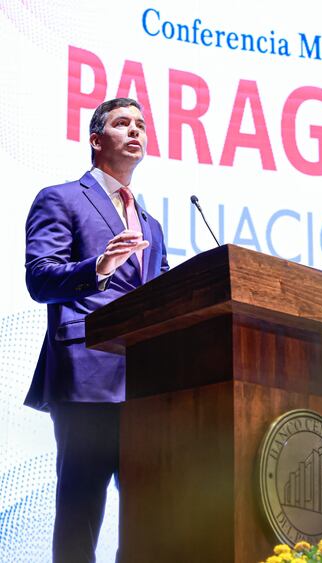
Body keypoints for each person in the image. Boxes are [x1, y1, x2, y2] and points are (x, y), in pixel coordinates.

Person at [25, 98, 168, 562]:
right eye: (122, 123)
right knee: (81, 514)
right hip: (86, 375)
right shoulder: (61, 198)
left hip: (145, 387)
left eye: (141, 125)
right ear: (95, 140)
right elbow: (40, 278)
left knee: (150, 517)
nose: (135, 131)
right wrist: (99, 267)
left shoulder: (151, 223)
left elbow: (162, 294)